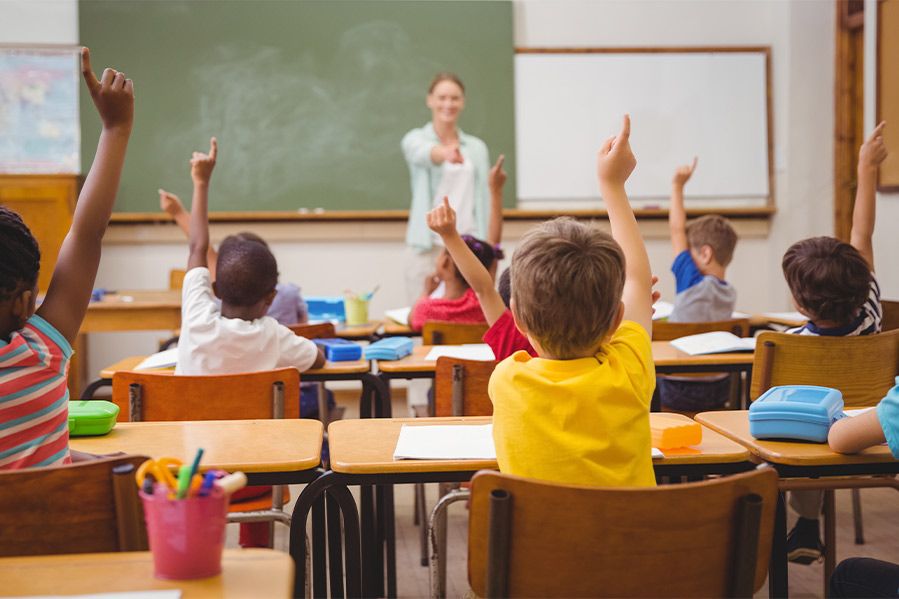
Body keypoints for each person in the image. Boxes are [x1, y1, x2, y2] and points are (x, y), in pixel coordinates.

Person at [488, 115, 657, 486]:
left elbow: (636, 286)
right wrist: (612, 186)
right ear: (616, 321)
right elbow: (639, 283)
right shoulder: (629, 369)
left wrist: (610, 181)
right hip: (636, 544)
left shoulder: (507, 379)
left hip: (539, 547)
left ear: (516, 315)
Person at [174, 137, 325, 546]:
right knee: (258, 453)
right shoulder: (273, 336)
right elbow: (318, 360)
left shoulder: (197, 319)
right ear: (271, 299)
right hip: (257, 480)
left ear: (216, 286)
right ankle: (258, 559)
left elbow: (196, 247)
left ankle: (195, 558)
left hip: (189, 475)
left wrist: (201, 182)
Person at [0, 48, 134, 469]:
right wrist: (116, 128)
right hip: (62, 537)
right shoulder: (40, 353)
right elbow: (87, 234)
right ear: (24, 304)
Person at [783, 122, 888, 564]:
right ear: (862, 285)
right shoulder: (872, 312)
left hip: (810, 444)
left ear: (800, 305)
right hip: (873, 424)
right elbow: (862, 231)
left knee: (795, 435)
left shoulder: (789, 344)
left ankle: (805, 525)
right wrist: (865, 168)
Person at [401, 72, 503, 304]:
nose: (448, 104)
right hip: (427, 246)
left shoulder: (476, 148)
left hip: (467, 245)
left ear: (463, 102)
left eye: (454, 98)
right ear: (430, 100)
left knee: (469, 314)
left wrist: (489, 247)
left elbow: (485, 199)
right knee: (423, 315)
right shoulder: (415, 139)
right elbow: (422, 153)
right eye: (442, 97)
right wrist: (445, 153)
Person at [659, 157, 739, 412]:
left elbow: (677, 230)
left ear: (704, 254)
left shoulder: (692, 282)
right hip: (718, 388)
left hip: (677, 387)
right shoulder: (729, 294)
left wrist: (677, 187)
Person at [159, 190, 308, 326]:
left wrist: (178, 212)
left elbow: (200, 249)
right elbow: (304, 330)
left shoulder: (209, 313)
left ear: (217, 287)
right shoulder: (288, 297)